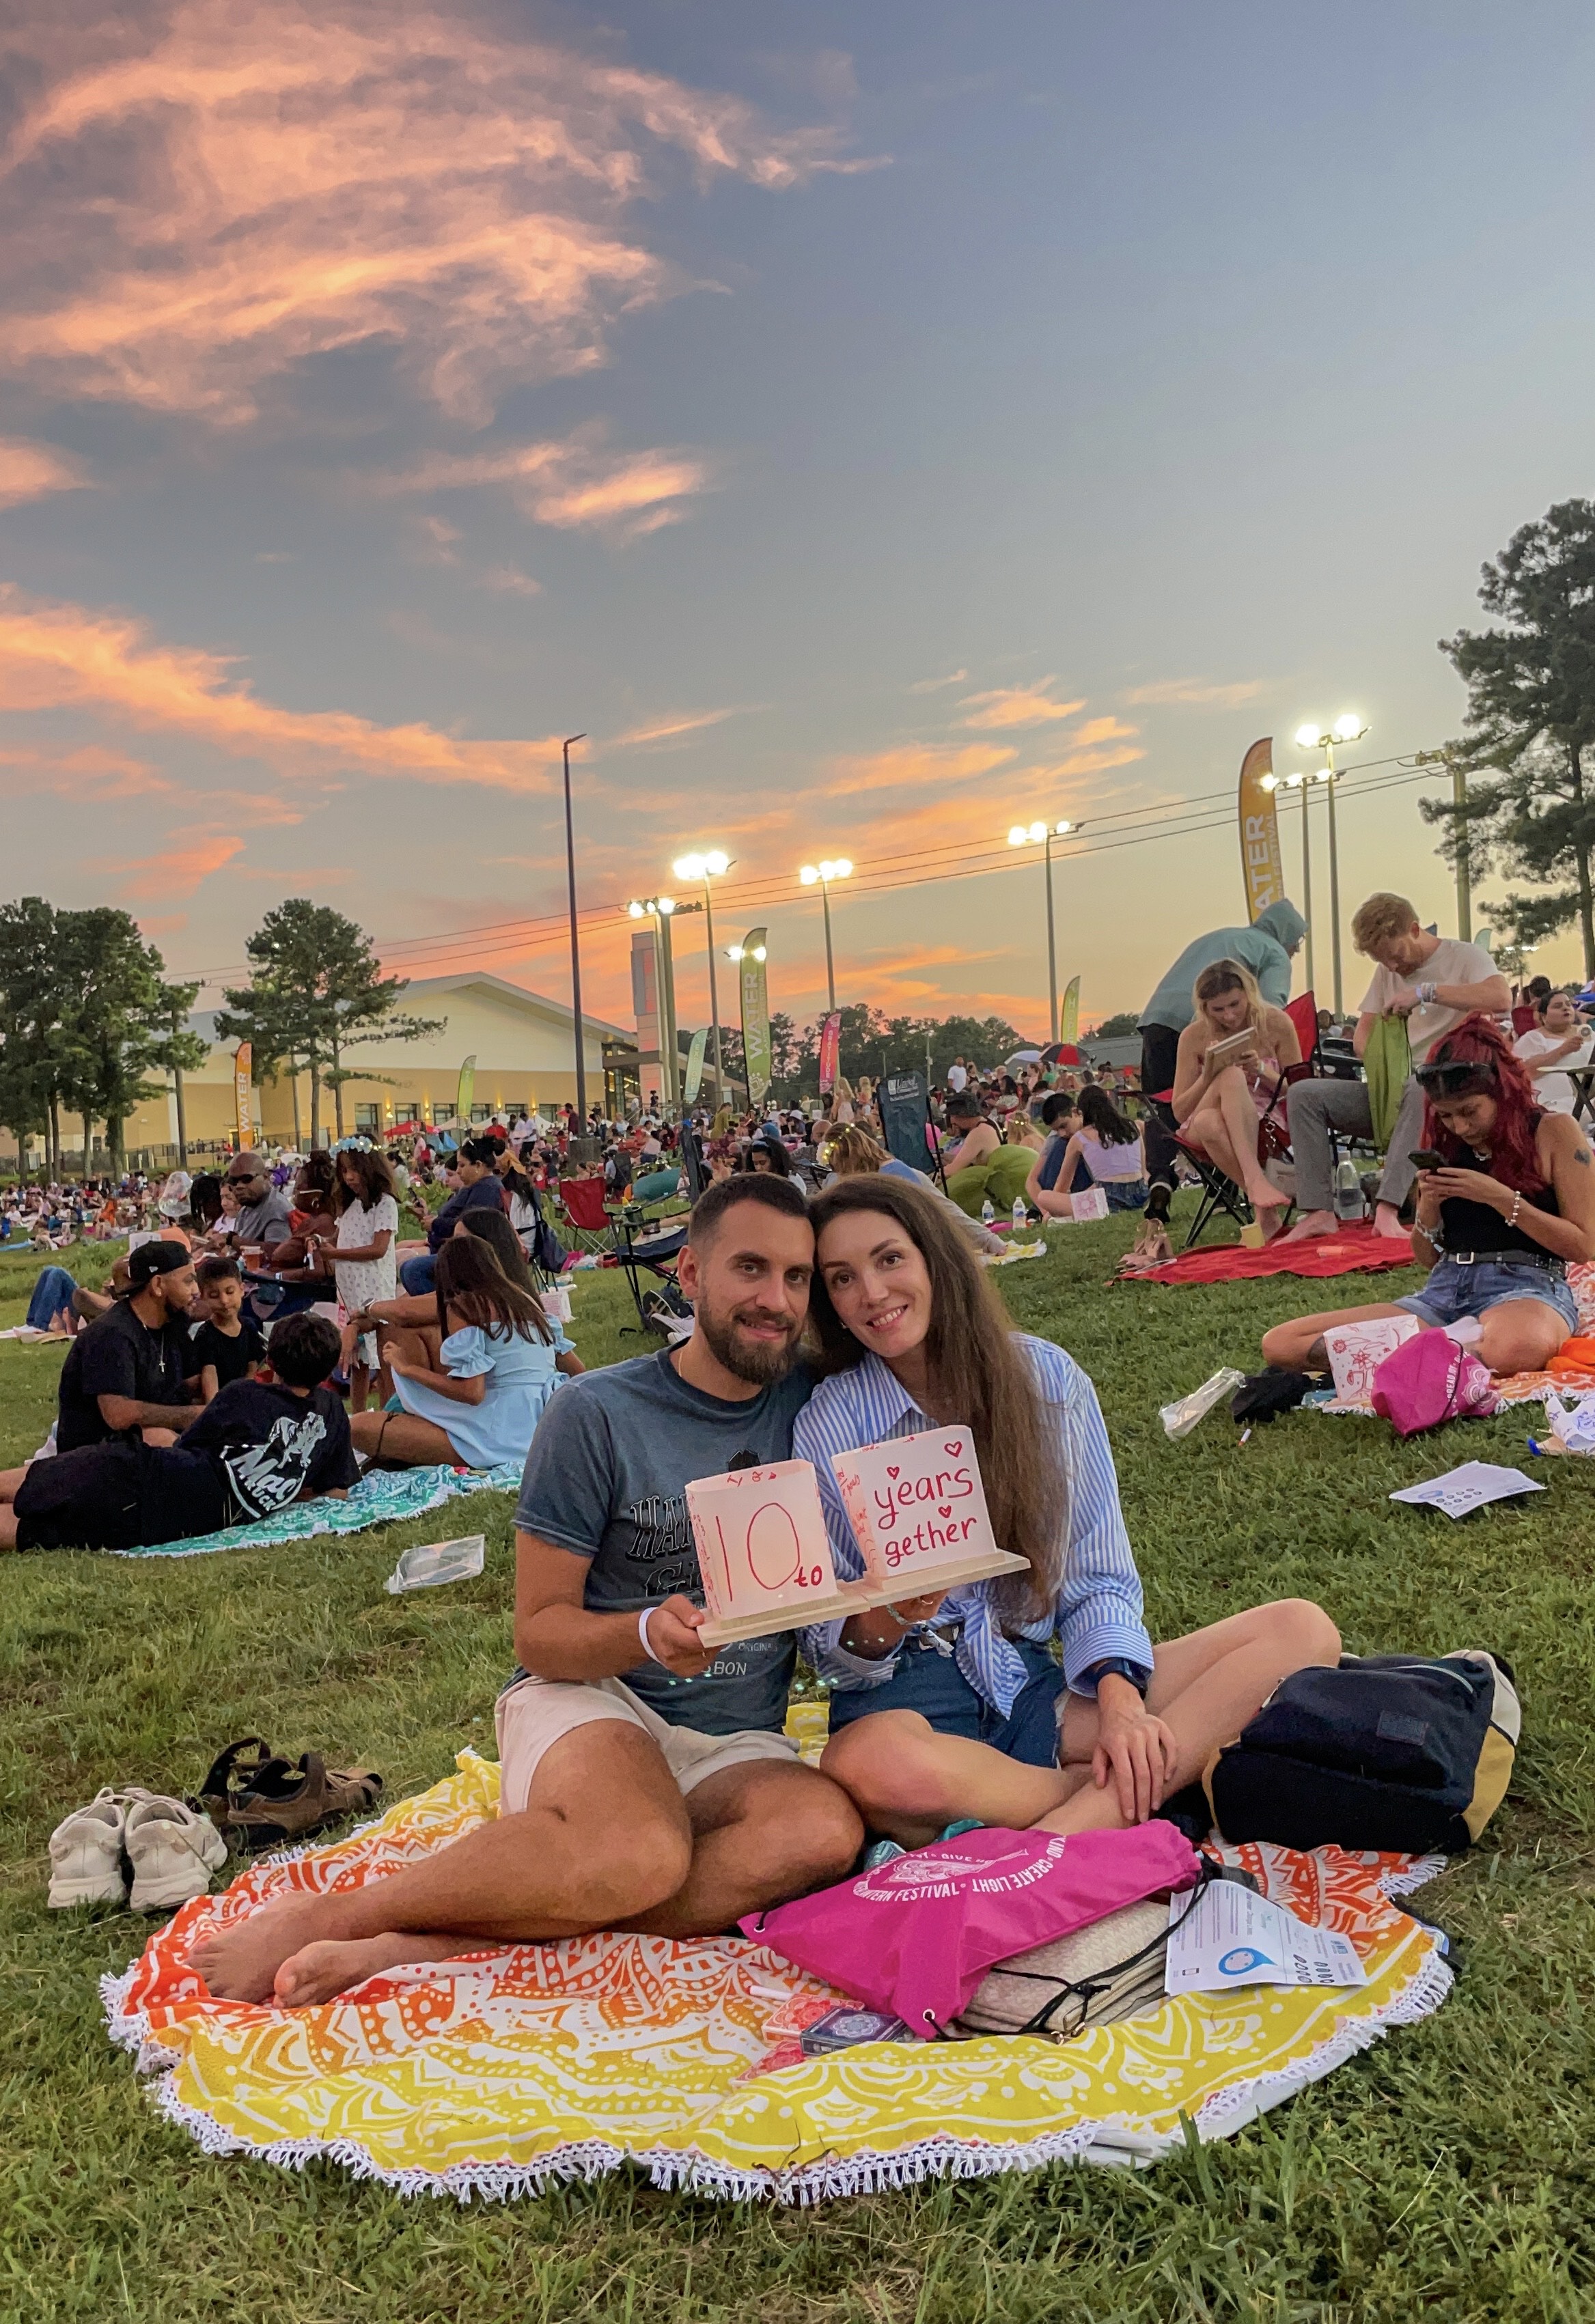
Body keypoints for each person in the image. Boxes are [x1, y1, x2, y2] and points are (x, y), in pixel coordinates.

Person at [191, 1175, 863, 2009]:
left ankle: (429, 1946)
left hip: (734, 1739)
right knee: (646, 1854)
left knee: (822, 1831)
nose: (775, 1300)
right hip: (595, 1696)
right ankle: (347, 1913)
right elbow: (539, 1635)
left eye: (797, 1278)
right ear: (688, 1274)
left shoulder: (822, 1403)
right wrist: (649, 1633)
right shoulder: (596, 1410)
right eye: (751, 1269)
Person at [790, 1176, 1339, 1843]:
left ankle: (1065, 1827)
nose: (872, 1293)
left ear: (934, 1258)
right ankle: (1124, 1798)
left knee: (1298, 1629)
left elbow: (1097, 1575)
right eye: (842, 1278)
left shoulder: (1046, 1382)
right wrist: (889, 1610)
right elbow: (831, 1650)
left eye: (888, 1259)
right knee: (866, 1763)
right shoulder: (831, 1419)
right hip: (913, 1711)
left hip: (1034, 1693)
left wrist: (1120, 1706)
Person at [1262, 1015, 1595, 1377]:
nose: (1461, 1127)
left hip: (1526, 1286)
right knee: (1283, 1343)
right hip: (1446, 1289)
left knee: (1516, 1347)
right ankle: (1446, 1354)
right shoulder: (1446, 1141)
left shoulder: (1554, 1131)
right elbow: (1427, 1258)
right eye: (1447, 1116)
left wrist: (1502, 1199)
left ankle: (1406, 1357)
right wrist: (1429, 1209)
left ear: (1502, 1090)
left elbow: (1584, 1246)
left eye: (1470, 1112)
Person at [0, 1313, 356, 1553]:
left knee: (47, 1480)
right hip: (166, 1524)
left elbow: (187, 1444)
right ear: (326, 1370)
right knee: (39, 1532)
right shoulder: (333, 1413)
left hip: (152, 1480)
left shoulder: (244, 1394)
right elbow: (336, 1491)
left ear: (272, 1362)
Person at [1285, 892, 1510, 1242]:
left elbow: (1501, 998)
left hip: (1445, 1093)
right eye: (1382, 960)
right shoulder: (1386, 972)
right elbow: (1363, 1036)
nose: (1393, 967)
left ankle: (1387, 1210)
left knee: (1421, 1086)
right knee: (1305, 1094)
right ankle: (1319, 1212)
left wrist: (1426, 992)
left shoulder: (1464, 956)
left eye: (1397, 956)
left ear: (1415, 929)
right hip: (1391, 1093)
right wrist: (1382, 1055)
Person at [350, 1236, 567, 1470]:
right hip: (544, 1425)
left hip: (496, 1436)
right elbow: (578, 1371)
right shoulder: (527, 1301)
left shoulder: (464, 1306)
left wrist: (408, 1369)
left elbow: (472, 1393)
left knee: (358, 1427)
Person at [1172, 960, 1302, 1233]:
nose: (1229, 1016)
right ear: (1204, 1008)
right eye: (1218, 1009)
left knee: (1210, 1122)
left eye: (1235, 1004)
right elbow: (1180, 1112)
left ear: (1249, 994)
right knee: (1229, 1077)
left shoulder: (1276, 1023)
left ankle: (1263, 1210)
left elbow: (1300, 1089)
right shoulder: (1193, 1036)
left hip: (1265, 1120)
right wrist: (1209, 1074)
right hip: (1196, 1123)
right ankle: (1255, 1179)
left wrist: (1262, 1070)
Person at [52, 1242, 204, 1452]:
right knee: (159, 1438)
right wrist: (192, 1416)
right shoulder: (112, 1335)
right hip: (96, 1457)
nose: (196, 1291)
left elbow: (192, 1382)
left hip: (142, 1448)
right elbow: (119, 1414)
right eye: (189, 1281)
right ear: (158, 1285)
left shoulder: (171, 1324)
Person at [822, 1121, 1005, 1254]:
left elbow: (947, 1212)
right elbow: (949, 1211)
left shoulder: (888, 1178)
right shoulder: (908, 1174)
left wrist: (987, 1239)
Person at [329, 1149, 398, 1412]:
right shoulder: (349, 1206)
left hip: (373, 1288)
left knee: (382, 1357)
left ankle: (387, 1416)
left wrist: (335, 1253)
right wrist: (323, 1246)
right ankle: (357, 1419)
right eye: (344, 1171)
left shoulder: (384, 1204)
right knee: (357, 1358)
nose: (349, 1177)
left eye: (354, 1170)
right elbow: (342, 1239)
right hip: (349, 1289)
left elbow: (377, 1249)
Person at [399, 1138, 506, 1293]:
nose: (458, 1171)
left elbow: (469, 1225)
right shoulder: (475, 1187)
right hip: (453, 1249)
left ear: (478, 1165)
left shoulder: (487, 1189)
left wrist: (436, 1224)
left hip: (475, 1257)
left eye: (462, 1165)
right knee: (408, 1266)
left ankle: (447, 1311)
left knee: (413, 1270)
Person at [1042, 1085, 1148, 1212]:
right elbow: (1142, 1171)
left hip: (1107, 1202)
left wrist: (1055, 1209)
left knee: (1044, 1197)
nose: (1062, 1134)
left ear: (1080, 1112)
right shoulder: (1133, 1126)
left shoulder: (1080, 1138)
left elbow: (1061, 1187)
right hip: (1140, 1195)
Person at [191, 1255, 264, 1399]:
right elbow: (209, 1376)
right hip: (222, 1401)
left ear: (242, 1289)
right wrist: (215, 1410)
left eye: (230, 1292)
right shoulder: (206, 1335)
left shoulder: (249, 1326)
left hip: (244, 1396)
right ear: (203, 1297)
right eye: (214, 1296)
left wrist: (246, 1395)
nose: (224, 1301)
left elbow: (253, 1365)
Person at [1512, 989, 1594, 1117]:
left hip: (1588, 1103)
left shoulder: (1588, 1034)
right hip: (1553, 1108)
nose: (1565, 1008)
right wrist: (1562, 1051)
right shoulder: (1534, 1038)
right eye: (1558, 1006)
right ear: (1543, 1016)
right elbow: (1521, 1072)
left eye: (1568, 1004)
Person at [222, 1154, 293, 1256]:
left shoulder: (276, 1208)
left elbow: (277, 1252)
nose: (239, 1186)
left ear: (266, 1176)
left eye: (246, 1179)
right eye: (233, 1181)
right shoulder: (246, 1209)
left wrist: (231, 1240)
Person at [941, 1094, 999, 1176]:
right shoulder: (985, 1126)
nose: (952, 1122)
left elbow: (952, 1170)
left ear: (963, 1115)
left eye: (953, 1116)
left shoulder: (980, 1132)